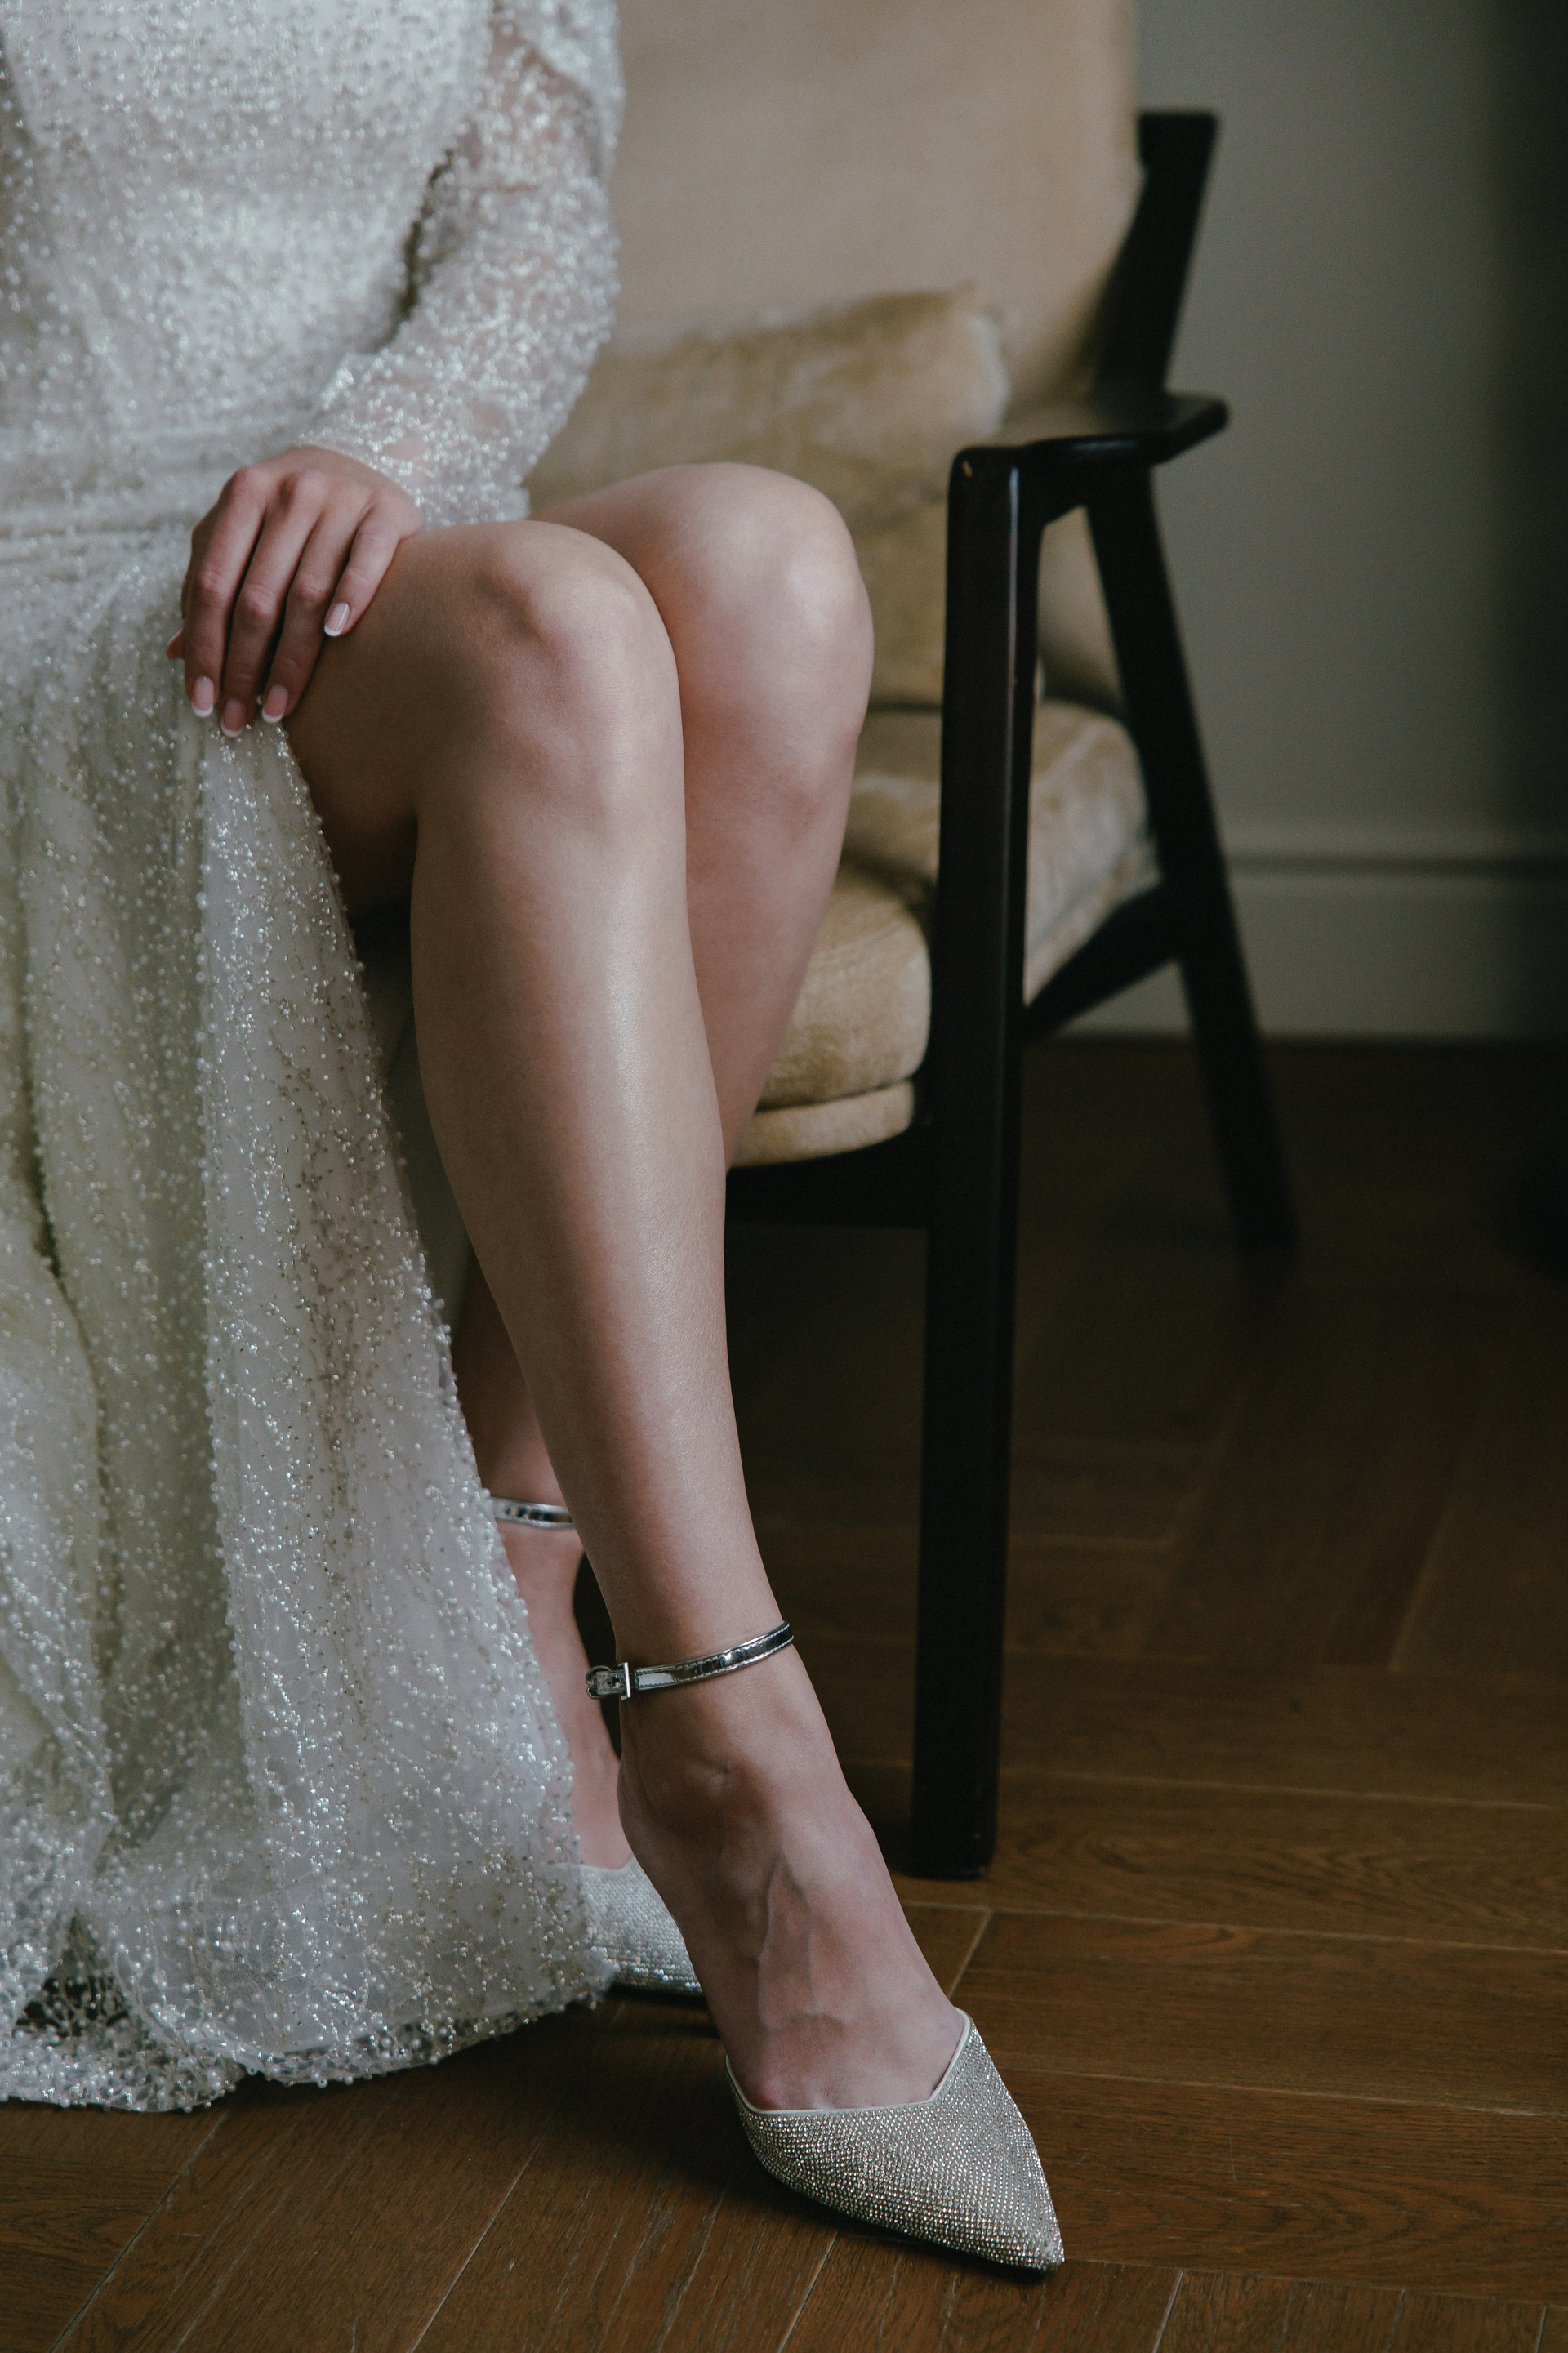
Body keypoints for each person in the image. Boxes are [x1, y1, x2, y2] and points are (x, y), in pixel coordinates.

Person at [0, 0, 1058, 2267]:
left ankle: (529, 1579)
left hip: (352, 553)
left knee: (772, 574)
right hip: (45, 596)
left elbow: (532, 219)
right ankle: (739, 1761)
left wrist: (381, 444)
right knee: (566, 626)